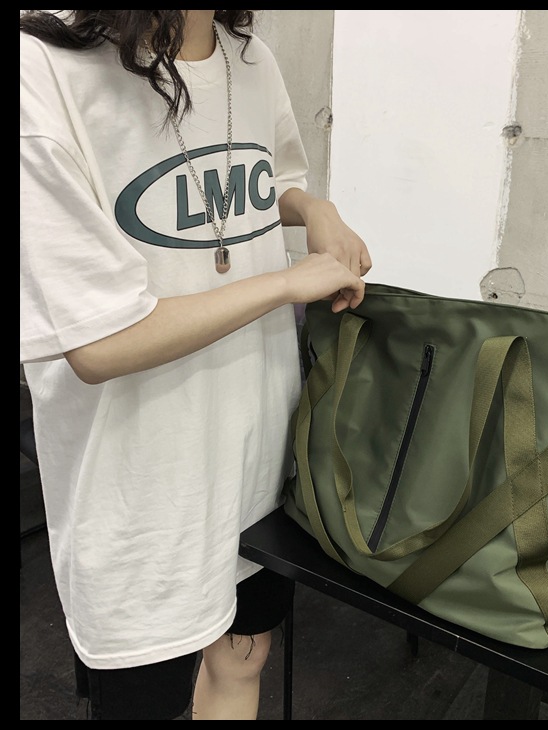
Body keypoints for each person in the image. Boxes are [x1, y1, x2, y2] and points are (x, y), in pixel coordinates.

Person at [20, 10, 371, 721]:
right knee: (144, 701)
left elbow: (265, 180)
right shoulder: (46, 68)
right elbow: (99, 346)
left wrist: (314, 207)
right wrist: (285, 283)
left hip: (256, 450)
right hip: (141, 484)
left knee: (244, 659)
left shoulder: (250, 56)